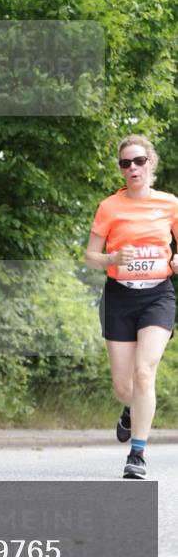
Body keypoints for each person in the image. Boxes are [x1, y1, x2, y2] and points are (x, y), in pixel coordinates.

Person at [85, 134, 178, 479]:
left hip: (158, 295)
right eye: (126, 163)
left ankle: (136, 455)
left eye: (139, 161)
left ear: (150, 163)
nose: (133, 168)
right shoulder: (110, 207)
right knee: (125, 387)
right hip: (120, 295)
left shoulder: (170, 204)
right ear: (121, 170)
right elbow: (90, 256)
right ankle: (130, 410)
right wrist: (111, 257)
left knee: (144, 372)